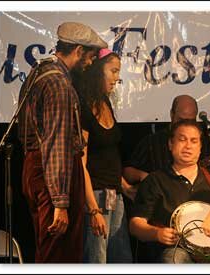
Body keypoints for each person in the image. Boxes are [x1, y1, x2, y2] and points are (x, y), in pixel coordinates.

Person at [17, 22, 107, 262]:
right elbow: (56, 142)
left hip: (37, 169)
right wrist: (60, 202)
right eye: (89, 57)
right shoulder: (59, 84)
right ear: (77, 50)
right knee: (59, 254)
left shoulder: (39, 72)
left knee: (49, 250)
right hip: (53, 173)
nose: (90, 63)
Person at [129, 119, 210, 263]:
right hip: (177, 249)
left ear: (200, 147)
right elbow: (135, 224)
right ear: (171, 144)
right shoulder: (155, 180)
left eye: (194, 141)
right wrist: (157, 233)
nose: (188, 146)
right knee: (174, 258)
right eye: (182, 140)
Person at [74, 48, 133, 263]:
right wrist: (93, 209)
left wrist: (125, 187)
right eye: (113, 71)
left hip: (114, 195)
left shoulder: (106, 103)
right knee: (97, 260)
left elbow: (109, 157)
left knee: (121, 259)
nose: (117, 78)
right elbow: (81, 164)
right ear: (98, 71)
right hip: (96, 196)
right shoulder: (83, 109)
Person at [123, 94, 210, 185]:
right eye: (181, 120)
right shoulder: (152, 141)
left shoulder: (204, 140)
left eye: (190, 121)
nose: (185, 125)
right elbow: (128, 170)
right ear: (172, 114)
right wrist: (143, 176)